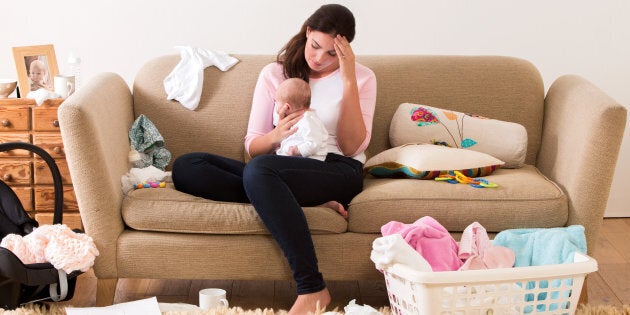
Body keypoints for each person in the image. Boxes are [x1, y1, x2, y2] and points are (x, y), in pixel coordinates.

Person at [172, 4, 377, 314]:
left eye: (332, 54)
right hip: (280, 167)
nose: (319, 58)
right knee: (188, 166)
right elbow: (253, 147)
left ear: (346, 50)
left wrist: (347, 79)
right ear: (307, 32)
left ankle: (312, 288)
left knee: (260, 172)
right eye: (315, 46)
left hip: (337, 170)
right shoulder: (275, 74)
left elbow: (351, 147)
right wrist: (277, 135)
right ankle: (290, 199)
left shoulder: (362, 78)